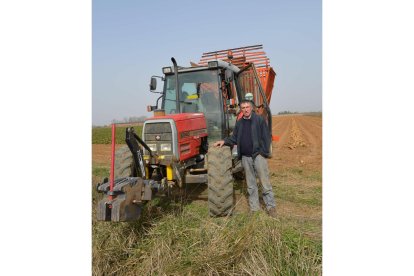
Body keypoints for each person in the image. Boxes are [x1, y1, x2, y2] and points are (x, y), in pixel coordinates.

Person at [213, 99, 277, 217]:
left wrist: (263, 153)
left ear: (251, 108)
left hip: (258, 156)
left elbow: (267, 137)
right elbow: (234, 138)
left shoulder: (259, 120)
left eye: (247, 107)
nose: (246, 110)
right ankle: (254, 209)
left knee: (265, 183)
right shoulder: (240, 123)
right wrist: (224, 141)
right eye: (243, 108)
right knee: (251, 184)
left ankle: (271, 207)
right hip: (246, 158)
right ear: (241, 110)